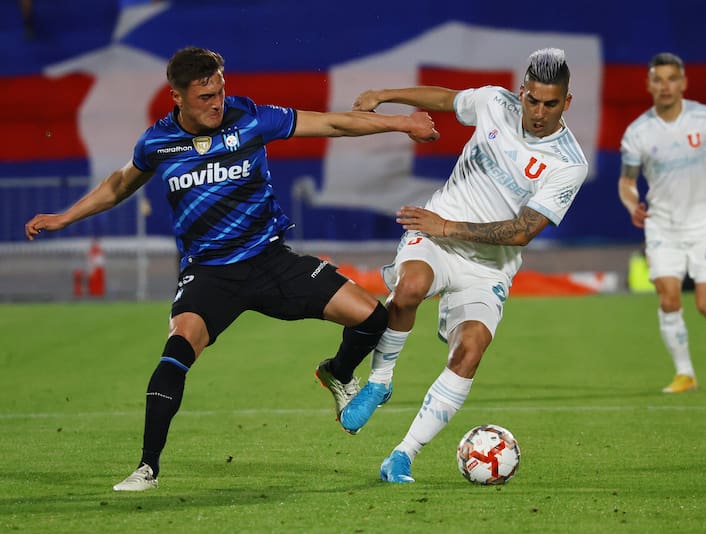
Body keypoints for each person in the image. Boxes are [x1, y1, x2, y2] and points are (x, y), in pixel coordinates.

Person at [24, 46, 439, 492]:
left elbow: (333, 123)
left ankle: (337, 372)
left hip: (270, 260)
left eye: (220, 92)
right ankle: (147, 468)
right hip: (210, 274)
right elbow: (119, 185)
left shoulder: (250, 118)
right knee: (177, 351)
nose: (217, 103)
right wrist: (65, 218)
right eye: (205, 97)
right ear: (177, 97)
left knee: (373, 317)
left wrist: (402, 123)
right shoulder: (158, 143)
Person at [340, 48, 588, 483]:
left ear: (566, 102)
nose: (538, 113)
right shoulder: (494, 102)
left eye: (551, 104)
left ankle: (402, 455)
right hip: (436, 239)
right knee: (411, 286)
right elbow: (446, 99)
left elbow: (522, 231)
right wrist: (384, 94)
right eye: (532, 100)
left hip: (488, 266)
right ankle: (380, 379)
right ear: (521, 92)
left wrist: (447, 225)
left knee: (469, 350)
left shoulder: (568, 163)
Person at [617, 52, 706, 394]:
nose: (665, 86)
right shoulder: (638, 132)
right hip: (663, 225)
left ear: (683, 83)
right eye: (658, 79)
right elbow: (627, 181)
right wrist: (632, 203)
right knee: (668, 300)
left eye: (672, 79)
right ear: (648, 85)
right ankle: (685, 373)